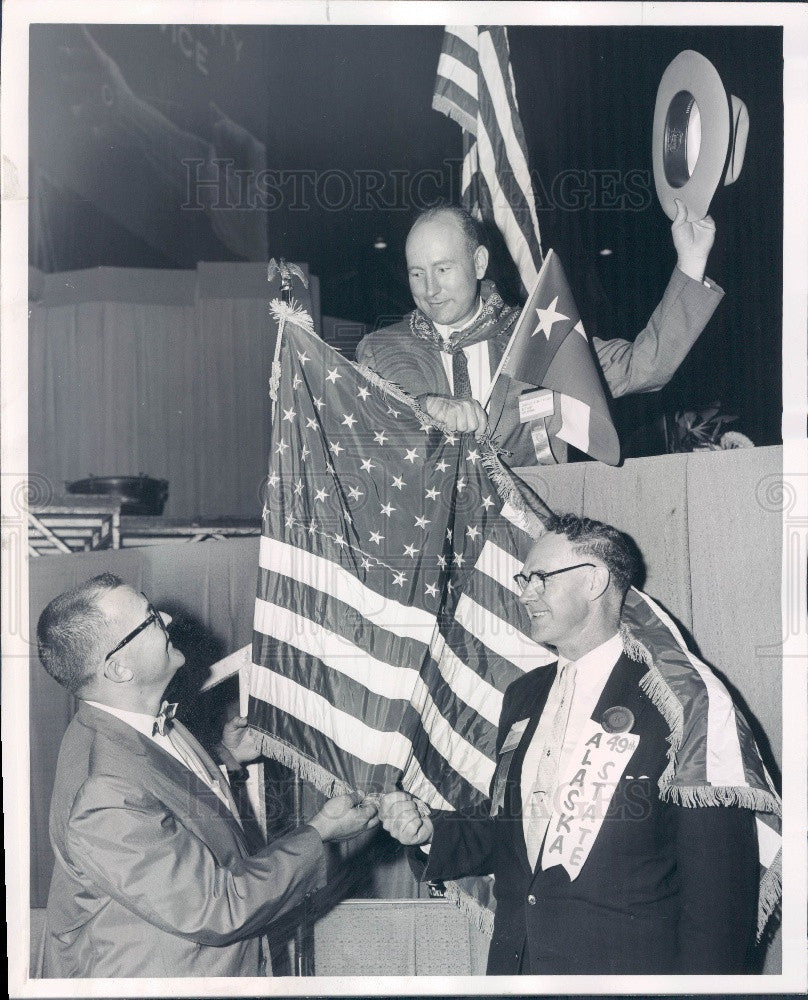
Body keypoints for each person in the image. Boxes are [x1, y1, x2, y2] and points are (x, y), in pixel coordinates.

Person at [377, 515, 759, 974]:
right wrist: (431, 834)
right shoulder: (524, 696)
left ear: (595, 580)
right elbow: (512, 830)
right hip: (518, 970)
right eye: (523, 579)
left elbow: (720, 900)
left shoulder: (682, 702)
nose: (524, 593)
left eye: (540, 578)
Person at [36, 573, 378, 978]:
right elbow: (219, 908)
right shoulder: (103, 796)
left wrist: (225, 756)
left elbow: (157, 783)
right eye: (149, 619)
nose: (166, 616)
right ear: (119, 669)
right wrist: (320, 833)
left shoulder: (124, 721)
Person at [356, 203, 723, 465]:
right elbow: (365, 440)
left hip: (530, 542)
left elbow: (644, 366)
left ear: (479, 262)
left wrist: (691, 263)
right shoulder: (381, 350)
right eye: (416, 273)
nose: (430, 289)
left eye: (443, 269)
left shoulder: (537, 334)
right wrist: (424, 406)